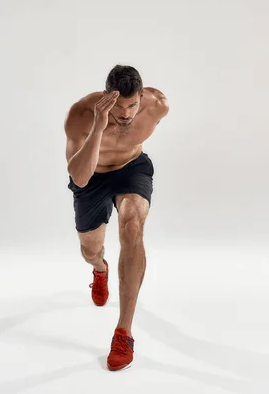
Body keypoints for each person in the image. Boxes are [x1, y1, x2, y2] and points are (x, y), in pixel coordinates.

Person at [64, 65, 169, 371]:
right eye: (118, 106)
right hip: (92, 176)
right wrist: (99, 124)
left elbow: (140, 128)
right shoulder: (81, 115)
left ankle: (123, 332)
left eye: (132, 105)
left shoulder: (158, 105)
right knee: (90, 251)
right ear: (107, 97)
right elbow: (80, 178)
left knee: (132, 224)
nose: (125, 114)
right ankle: (100, 269)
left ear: (141, 97)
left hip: (131, 169)